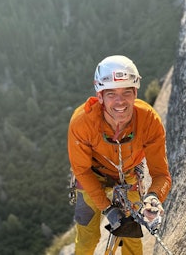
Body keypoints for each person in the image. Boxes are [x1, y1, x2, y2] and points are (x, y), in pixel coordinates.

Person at [67, 55, 172, 255]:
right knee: (87, 240)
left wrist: (153, 197)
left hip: (129, 176)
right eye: (111, 94)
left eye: (126, 92)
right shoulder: (82, 123)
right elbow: (81, 169)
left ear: (135, 93)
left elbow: (161, 175)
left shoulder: (149, 120)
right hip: (92, 176)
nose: (120, 101)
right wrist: (107, 208)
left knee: (131, 238)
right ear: (100, 96)